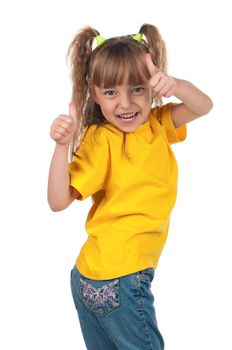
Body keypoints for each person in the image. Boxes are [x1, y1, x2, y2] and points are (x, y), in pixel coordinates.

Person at [47, 23, 213, 350]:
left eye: (137, 89)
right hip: (121, 279)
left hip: (91, 276)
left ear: (152, 87)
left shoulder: (157, 124)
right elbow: (57, 200)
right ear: (93, 93)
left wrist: (174, 83)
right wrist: (60, 147)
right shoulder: (101, 140)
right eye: (110, 92)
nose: (125, 104)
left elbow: (203, 106)